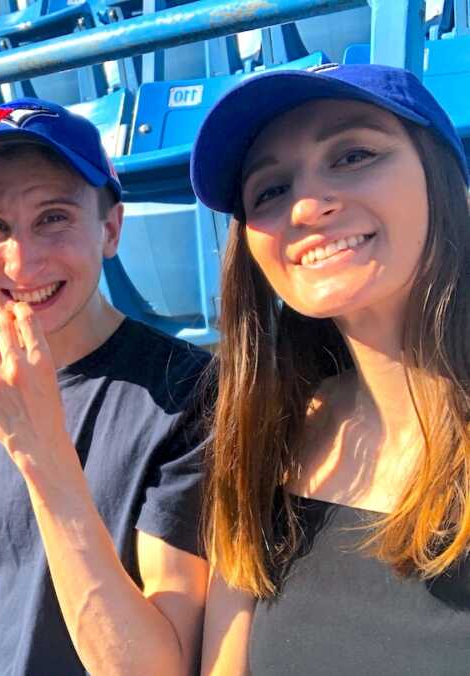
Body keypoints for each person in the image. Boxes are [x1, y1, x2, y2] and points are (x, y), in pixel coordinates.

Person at [0, 98, 210, 676]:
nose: (22, 263)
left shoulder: (191, 396)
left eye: (54, 218)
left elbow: (153, 668)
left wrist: (38, 446)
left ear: (111, 228)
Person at [189, 63, 470, 674]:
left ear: (445, 180)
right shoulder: (272, 436)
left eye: (354, 155)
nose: (308, 206)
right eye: (271, 190)